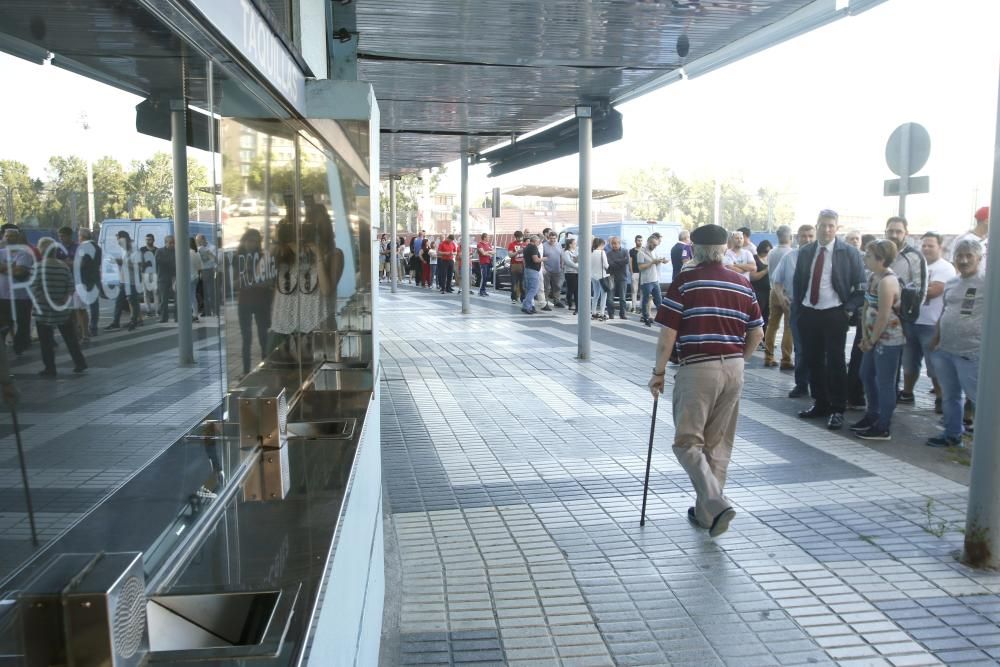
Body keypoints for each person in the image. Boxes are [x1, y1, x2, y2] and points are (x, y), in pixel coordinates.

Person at [648, 223, 763, 538]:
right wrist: (741, 358)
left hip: (698, 368)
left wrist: (658, 372)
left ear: (695, 250)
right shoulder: (742, 283)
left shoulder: (686, 282)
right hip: (734, 369)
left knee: (687, 442)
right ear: (724, 249)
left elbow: (668, 333)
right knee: (717, 444)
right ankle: (706, 514)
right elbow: (758, 332)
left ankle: (715, 501)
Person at [792, 209, 866, 431]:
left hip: (835, 312)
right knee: (812, 359)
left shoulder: (849, 252)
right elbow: (798, 282)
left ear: (837, 228)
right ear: (817, 226)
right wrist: (799, 307)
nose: (826, 229)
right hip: (809, 312)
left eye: (830, 226)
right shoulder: (805, 251)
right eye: (822, 225)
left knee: (835, 361)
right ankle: (820, 403)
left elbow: (861, 287)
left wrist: (849, 309)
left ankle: (837, 408)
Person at [926, 239, 984, 447]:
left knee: (979, 398)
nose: (964, 259)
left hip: (972, 352)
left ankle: (987, 445)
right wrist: (936, 338)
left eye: (969, 255)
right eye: (960, 255)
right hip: (945, 350)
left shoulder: (987, 282)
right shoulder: (952, 282)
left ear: (979, 258)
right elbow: (945, 311)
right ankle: (952, 434)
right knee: (950, 396)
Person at [851, 240, 904, 440]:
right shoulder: (874, 277)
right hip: (872, 337)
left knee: (885, 382)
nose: (865, 258)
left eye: (869, 256)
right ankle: (872, 414)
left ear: (881, 259)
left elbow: (883, 315)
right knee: (866, 374)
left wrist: (871, 340)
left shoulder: (888, 281)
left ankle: (883, 425)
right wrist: (865, 336)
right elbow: (866, 307)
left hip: (888, 340)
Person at [898, 232, 956, 412]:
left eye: (931, 245)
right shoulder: (916, 265)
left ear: (940, 247)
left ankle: (940, 398)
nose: (926, 249)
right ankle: (907, 393)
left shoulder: (945, 268)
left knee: (934, 363)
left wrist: (910, 289)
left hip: (932, 323)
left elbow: (934, 291)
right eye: (924, 245)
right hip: (911, 321)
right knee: (909, 360)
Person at [884, 216, 928, 403]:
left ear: (906, 233)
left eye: (898, 231)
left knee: (895, 364)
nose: (894, 235)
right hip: (878, 316)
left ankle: (889, 405)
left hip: (900, 319)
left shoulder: (914, 257)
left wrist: (904, 309)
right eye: (891, 231)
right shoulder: (881, 252)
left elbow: (921, 289)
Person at [32, 238, 87, 376]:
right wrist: (63, 299)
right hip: (62, 309)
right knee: (70, 338)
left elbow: (34, 288)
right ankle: (80, 362)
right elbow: (71, 286)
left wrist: (46, 299)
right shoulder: (63, 266)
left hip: (43, 310)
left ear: (41, 250)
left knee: (46, 341)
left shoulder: (38, 267)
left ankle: (50, 368)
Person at [771, 224, 816, 396]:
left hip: (820, 308)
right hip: (797, 307)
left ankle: (818, 383)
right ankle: (801, 384)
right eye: (803, 236)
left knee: (819, 349)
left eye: (810, 236)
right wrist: (782, 299)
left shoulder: (824, 258)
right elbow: (777, 280)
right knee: (800, 347)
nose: (807, 239)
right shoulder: (789, 257)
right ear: (797, 238)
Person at [235, 229, 272, 375]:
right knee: (246, 337)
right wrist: (246, 277)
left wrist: (256, 282)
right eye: (250, 240)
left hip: (262, 300)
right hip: (244, 301)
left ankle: (265, 367)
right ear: (244, 241)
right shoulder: (238, 258)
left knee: (263, 335)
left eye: (256, 241)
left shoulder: (263, 257)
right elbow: (234, 283)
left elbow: (269, 281)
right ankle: (246, 371)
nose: (253, 244)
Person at [763, 225, 794, 368]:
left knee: (772, 325)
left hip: (773, 291)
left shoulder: (772, 252)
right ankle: (786, 359)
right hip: (787, 293)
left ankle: (768, 357)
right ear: (790, 237)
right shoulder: (791, 253)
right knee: (788, 327)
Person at [107, 231, 142, 331]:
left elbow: (137, 266)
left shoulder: (135, 250)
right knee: (119, 301)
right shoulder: (124, 249)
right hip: (123, 280)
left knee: (133, 301)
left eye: (119, 240)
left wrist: (123, 262)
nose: (118, 243)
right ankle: (115, 322)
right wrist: (118, 261)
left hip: (132, 281)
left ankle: (134, 321)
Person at [637, 232, 665, 327]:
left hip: (655, 279)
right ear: (648, 242)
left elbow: (655, 263)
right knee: (645, 300)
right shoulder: (641, 253)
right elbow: (640, 267)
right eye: (653, 244)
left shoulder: (654, 252)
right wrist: (652, 262)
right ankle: (645, 317)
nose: (654, 246)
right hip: (646, 281)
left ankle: (661, 319)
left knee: (659, 300)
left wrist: (661, 261)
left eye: (656, 245)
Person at [77, 228, 101, 337]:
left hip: (84, 278)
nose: (78, 238)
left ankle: (82, 328)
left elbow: (81, 264)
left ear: (82, 237)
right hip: (95, 277)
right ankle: (94, 327)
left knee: (80, 306)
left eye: (79, 236)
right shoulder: (98, 248)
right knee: (94, 304)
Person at [750, 240, 772, 332]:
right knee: (758, 315)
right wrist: (766, 270)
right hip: (758, 291)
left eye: (769, 252)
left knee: (767, 316)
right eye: (766, 251)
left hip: (769, 291)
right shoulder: (754, 259)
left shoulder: (769, 259)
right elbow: (752, 277)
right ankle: (757, 336)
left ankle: (765, 338)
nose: (767, 254)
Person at [605, 236, 630, 320]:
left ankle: (623, 314)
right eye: (613, 243)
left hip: (622, 277)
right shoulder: (608, 254)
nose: (614, 245)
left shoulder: (625, 251)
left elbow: (627, 261)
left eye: (616, 243)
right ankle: (611, 314)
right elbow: (610, 264)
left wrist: (616, 261)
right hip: (611, 277)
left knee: (622, 298)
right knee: (609, 298)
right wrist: (620, 261)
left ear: (619, 243)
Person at [196, 233, 218, 317]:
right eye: (196, 241)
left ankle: (214, 310)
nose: (197, 242)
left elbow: (214, 259)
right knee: (202, 292)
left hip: (209, 270)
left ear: (203, 239)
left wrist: (207, 253)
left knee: (210, 292)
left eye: (198, 240)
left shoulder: (212, 247)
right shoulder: (198, 248)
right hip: (200, 271)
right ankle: (206, 310)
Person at [155, 235, 177, 323]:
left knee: (177, 298)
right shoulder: (159, 251)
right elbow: (160, 262)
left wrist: (170, 262)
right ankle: (164, 317)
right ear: (166, 243)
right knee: (164, 299)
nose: (172, 245)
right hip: (163, 278)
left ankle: (177, 317)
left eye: (173, 243)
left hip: (174, 277)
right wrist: (171, 262)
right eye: (170, 243)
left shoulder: (176, 251)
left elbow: (176, 263)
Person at [539, 232, 562, 307]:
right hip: (547, 269)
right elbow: (541, 257)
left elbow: (561, 255)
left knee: (557, 286)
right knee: (546, 287)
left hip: (557, 269)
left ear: (556, 238)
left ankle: (557, 300)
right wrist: (543, 267)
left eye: (554, 238)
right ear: (548, 238)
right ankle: (545, 301)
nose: (553, 240)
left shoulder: (559, 245)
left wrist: (562, 265)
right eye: (551, 238)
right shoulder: (544, 245)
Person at [521, 235, 542, 314]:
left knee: (529, 289)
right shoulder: (533, 247)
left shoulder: (526, 247)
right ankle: (526, 306)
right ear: (535, 241)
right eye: (538, 241)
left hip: (527, 269)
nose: (539, 243)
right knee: (533, 289)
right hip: (533, 270)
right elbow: (536, 260)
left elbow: (524, 260)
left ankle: (528, 306)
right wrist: (544, 259)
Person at [590, 237, 609, 321]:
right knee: (604, 295)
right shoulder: (602, 253)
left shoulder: (591, 253)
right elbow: (606, 265)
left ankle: (593, 312)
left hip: (593, 276)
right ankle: (602, 313)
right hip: (602, 276)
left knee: (595, 295)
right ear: (601, 244)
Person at [139, 233, 158, 317]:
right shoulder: (142, 250)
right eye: (146, 239)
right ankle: (148, 311)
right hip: (145, 273)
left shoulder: (157, 250)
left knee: (156, 293)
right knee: (146, 293)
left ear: (153, 240)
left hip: (154, 273)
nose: (147, 241)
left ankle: (157, 311)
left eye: (149, 239)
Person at [507, 230, 526, 304]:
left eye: (521, 237)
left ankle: (523, 298)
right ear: (516, 237)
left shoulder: (524, 244)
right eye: (518, 237)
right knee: (514, 282)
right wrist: (517, 252)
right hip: (514, 265)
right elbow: (510, 255)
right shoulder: (511, 244)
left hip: (523, 265)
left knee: (522, 283)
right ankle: (514, 297)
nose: (520, 239)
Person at [562, 237, 579, 315]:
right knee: (571, 289)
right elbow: (568, 262)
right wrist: (577, 267)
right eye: (574, 243)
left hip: (577, 273)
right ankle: (569, 302)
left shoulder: (576, 252)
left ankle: (577, 307)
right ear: (570, 244)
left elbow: (578, 259)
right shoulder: (566, 252)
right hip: (570, 273)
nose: (575, 245)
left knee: (576, 290)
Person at [630, 235, 644, 312]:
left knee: (642, 290)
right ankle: (633, 307)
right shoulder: (632, 251)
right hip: (635, 272)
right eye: (638, 240)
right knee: (634, 290)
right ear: (635, 241)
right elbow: (630, 262)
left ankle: (641, 307)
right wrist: (631, 272)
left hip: (643, 273)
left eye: (641, 240)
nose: (640, 242)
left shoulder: (645, 250)